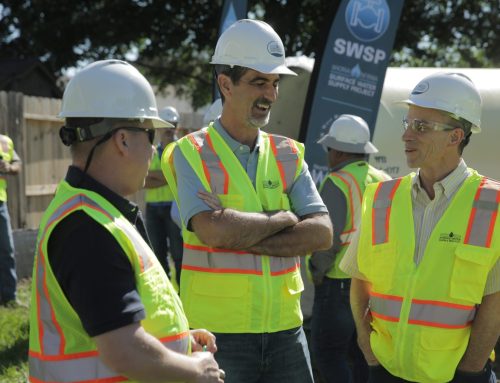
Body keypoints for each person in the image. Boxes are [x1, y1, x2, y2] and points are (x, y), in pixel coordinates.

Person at [28, 59, 224, 383]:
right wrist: (195, 371)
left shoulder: (99, 213)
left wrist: (177, 340)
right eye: (150, 135)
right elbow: (123, 350)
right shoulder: (87, 229)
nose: (153, 150)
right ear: (122, 140)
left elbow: (117, 319)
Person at [162, 19, 333, 383]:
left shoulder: (288, 152)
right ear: (225, 83)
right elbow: (213, 231)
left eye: (274, 83)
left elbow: (321, 233)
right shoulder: (190, 152)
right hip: (218, 335)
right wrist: (284, 217)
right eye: (259, 82)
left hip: (287, 330)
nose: (270, 94)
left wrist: (241, 232)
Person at [340, 72, 500, 383]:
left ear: (455, 136)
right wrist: (368, 349)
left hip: (457, 377)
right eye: (408, 123)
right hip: (385, 372)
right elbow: (360, 281)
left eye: (422, 126)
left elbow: (496, 300)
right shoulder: (381, 198)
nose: (407, 135)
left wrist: (470, 371)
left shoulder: (491, 204)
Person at [308, 114, 391, 383]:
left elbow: (326, 239)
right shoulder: (385, 180)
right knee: (364, 354)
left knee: (327, 353)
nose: (328, 154)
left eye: (329, 148)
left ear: (340, 151)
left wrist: (317, 272)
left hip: (340, 284)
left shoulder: (337, 182)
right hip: (377, 285)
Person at [144, 105, 183, 286]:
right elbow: (143, 180)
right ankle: (164, 290)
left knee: (178, 254)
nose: (169, 128)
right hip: (153, 208)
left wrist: (156, 175)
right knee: (157, 253)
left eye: (172, 124)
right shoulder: (150, 151)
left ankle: (183, 294)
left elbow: (181, 175)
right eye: (166, 124)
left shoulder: (182, 150)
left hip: (175, 208)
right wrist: (169, 175)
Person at [0, 133, 21, 307]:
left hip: (1, 204)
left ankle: (9, 298)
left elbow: (17, 164)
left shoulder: (5, 141)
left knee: (7, 251)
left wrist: (8, 167)